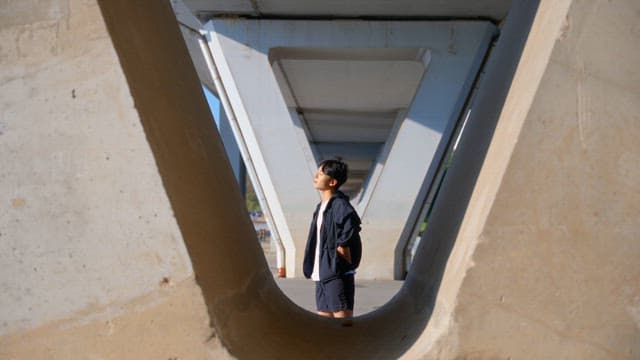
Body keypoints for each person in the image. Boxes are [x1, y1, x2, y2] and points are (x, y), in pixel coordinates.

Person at [303, 159, 362, 318]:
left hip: (336, 275)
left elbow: (352, 223)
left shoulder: (339, 204)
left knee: (342, 321)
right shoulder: (321, 206)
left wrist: (342, 246)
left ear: (332, 182)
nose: (316, 176)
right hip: (321, 274)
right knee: (325, 322)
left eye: (321, 173)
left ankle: (348, 343)